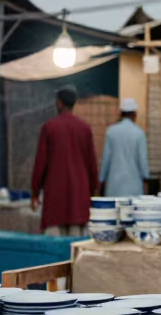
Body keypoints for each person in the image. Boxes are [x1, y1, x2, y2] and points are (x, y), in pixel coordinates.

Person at [30, 86, 98, 236]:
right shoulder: (84, 128)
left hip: (55, 196)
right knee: (77, 242)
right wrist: (93, 190)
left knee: (54, 244)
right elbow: (91, 163)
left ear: (59, 103)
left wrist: (35, 192)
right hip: (79, 196)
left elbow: (40, 164)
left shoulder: (49, 127)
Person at [99, 98, 149, 197]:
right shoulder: (139, 133)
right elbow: (142, 161)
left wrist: (101, 180)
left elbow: (106, 160)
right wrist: (146, 180)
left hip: (114, 187)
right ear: (134, 114)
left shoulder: (111, 131)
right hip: (133, 188)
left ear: (121, 113)